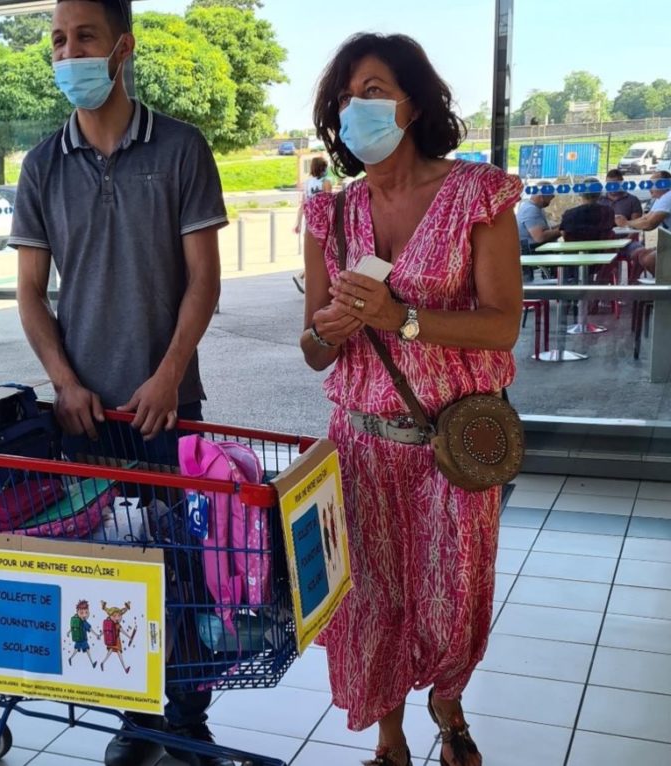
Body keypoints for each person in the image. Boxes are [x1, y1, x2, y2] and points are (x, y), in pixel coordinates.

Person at [10, 1, 227, 763]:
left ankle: (188, 715)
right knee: (103, 570)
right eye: (59, 41)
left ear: (122, 48)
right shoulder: (42, 164)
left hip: (172, 405)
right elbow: (31, 294)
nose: (69, 53)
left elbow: (204, 280)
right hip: (84, 413)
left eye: (85, 38)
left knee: (182, 562)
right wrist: (65, 385)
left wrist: (169, 376)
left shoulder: (180, 148)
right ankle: (130, 720)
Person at [300, 33, 522, 766]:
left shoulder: (474, 195)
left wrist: (405, 319)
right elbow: (311, 351)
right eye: (344, 96)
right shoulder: (330, 216)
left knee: (453, 604)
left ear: (413, 102)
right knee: (371, 607)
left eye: (371, 90)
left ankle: (448, 699)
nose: (353, 107)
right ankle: (390, 745)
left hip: (449, 446)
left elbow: (502, 322)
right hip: (359, 444)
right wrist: (330, 331)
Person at [617, 170, 671, 275]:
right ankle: (638, 285)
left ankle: (665, 286)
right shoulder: (661, 198)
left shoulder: (668, 196)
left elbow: (649, 224)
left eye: (652, 184)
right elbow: (645, 218)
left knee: (649, 259)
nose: (649, 188)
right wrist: (627, 222)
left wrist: (626, 223)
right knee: (641, 255)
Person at [295, 156, 334, 234]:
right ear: (322, 168)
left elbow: (303, 205)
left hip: (310, 221)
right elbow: (330, 204)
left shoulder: (307, 183)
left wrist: (298, 223)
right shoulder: (326, 182)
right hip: (322, 222)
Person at [516, 187, 559, 254]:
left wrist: (562, 225)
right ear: (541, 197)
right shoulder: (530, 210)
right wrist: (561, 231)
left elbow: (546, 229)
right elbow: (540, 237)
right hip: (533, 252)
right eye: (550, 198)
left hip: (537, 249)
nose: (553, 197)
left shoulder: (536, 207)